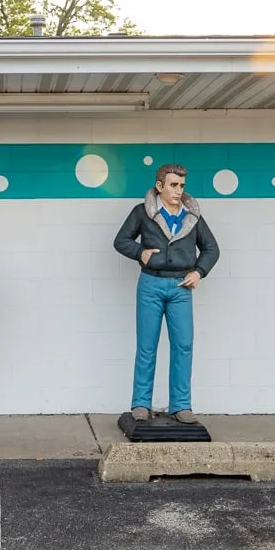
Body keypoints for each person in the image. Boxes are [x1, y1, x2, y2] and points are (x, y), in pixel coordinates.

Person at [112, 163, 220, 424]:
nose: (178, 190)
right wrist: (141, 253)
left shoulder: (192, 216)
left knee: (183, 345)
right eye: (173, 185)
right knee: (147, 345)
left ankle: (181, 405)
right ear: (159, 186)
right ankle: (140, 403)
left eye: (182, 185)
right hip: (151, 284)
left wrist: (198, 272)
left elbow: (211, 249)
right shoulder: (143, 213)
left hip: (181, 287)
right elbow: (121, 240)